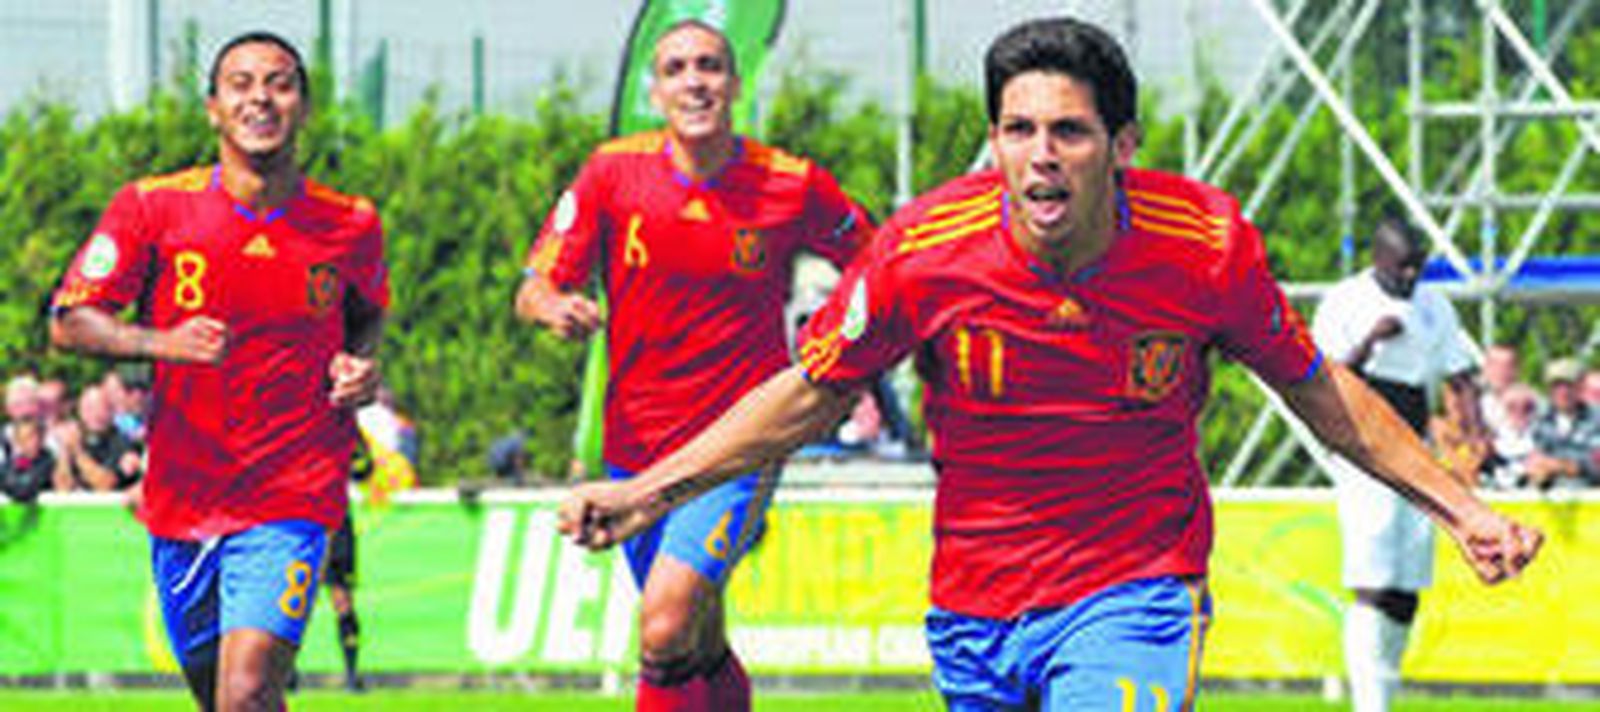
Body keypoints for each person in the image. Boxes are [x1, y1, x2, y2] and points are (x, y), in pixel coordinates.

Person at [555, 17, 1544, 712]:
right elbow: (809, 396)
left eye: (1068, 131)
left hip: (1136, 590)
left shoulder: (1204, 246)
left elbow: (1320, 391)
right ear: (992, 141)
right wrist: (645, 493)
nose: (1040, 155)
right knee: (671, 633)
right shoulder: (922, 253)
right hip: (974, 608)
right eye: (1017, 130)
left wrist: (1462, 509)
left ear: (1121, 145)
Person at [514, 19, 873, 712]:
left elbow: (877, 266)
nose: (694, 82)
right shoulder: (611, 172)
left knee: (664, 621)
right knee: (696, 642)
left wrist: (834, 342)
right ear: (654, 92)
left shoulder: (790, 183)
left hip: (737, 449)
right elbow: (534, 285)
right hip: (634, 449)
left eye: (709, 66)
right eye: (675, 69)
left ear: (735, 85)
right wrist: (554, 306)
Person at [48, 31, 387, 712]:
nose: (261, 98)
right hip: (185, 498)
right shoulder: (152, 207)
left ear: (303, 107)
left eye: (280, 84)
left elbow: (367, 314)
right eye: (241, 84)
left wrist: (362, 369)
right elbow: (69, 320)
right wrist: (160, 342)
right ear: (213, 108)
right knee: (224, 701)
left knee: (247, 691)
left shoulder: (349, 223)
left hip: (293, 494)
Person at [1310, 215, 1488, 712]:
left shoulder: (1434, 304)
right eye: (1403, 267)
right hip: (1363, 445)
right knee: (1373, 575)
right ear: (1379, 258)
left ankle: (1385, 693)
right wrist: (1371, 339)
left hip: (1416, 445)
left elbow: (1460, 374)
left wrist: (1476, 434)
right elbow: (1323, 380)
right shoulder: (1345, 301)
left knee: (1407, 582)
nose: (1411, 276)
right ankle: (1371, 704)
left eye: (1418, 267)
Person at [1524, 357, 1600, 490]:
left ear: (1580, 387)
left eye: (1569, 385)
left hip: (1590, 493)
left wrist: (1563, 466)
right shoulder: (1538, 419)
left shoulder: (1595, 419)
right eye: (1556, 386)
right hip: (1547, 495)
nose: (1563, 392)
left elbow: (1596, 465)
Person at [57, 384, 143, 491]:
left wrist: (79, 453)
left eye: (94, 406)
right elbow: (62, 487)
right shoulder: (76, 438)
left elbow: (106, 484)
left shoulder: (123, 444)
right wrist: (64, 455)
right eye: (85, 406)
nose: (88, 412)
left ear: (110, 410)